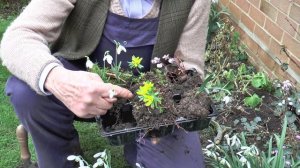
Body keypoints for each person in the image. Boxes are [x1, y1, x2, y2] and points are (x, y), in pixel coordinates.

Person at [0, 0, 211, 167]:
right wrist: (58, 80)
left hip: (150, 98)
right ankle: (61, 157)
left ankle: (139, 144)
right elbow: (19, 36)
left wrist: (166, 95)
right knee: (25, 91)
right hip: (80, 78)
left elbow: (189, 66)